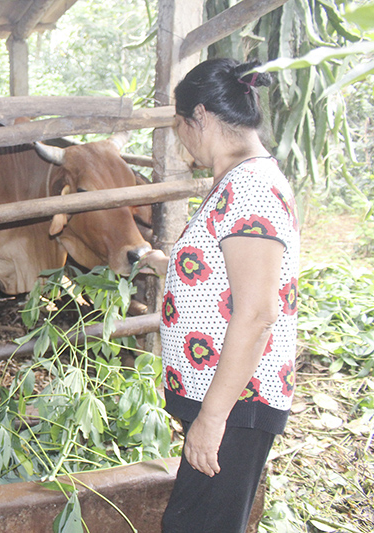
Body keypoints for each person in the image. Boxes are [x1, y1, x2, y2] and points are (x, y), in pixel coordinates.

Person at [140, 58, 300, 532]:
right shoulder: (239, 180)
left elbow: (255, 313)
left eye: (180, 126)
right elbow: (231, 278)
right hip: (228, 396)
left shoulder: (250, 187)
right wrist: (169, 268)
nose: (181, 138)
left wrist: (212, 418)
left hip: (236, 401)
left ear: (201, 116)